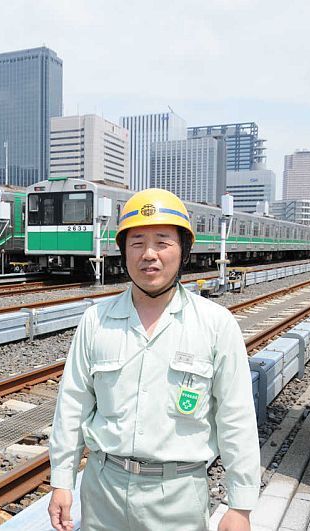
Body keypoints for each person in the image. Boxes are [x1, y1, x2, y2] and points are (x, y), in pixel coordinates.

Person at [47, 188, 260, 531]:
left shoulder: (215, 324)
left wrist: (241, 506)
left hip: (178, 494)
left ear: (183, 251)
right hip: (103, 489)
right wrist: (62, 480)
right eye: (137, 243)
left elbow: (236, 417)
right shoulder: (95, 320)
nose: (149, 254)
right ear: (124, 252)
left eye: (162, 242)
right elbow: (73, 404)